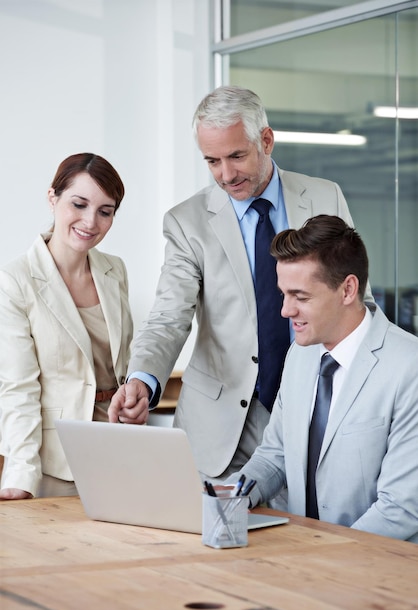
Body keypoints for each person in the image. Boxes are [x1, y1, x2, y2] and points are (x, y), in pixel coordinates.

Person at [108, 85, 369, 483]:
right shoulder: (187, 221)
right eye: (212, 161)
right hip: (221, 426)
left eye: (236, 156)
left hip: (313, 408)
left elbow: (357, 303)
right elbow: (168, 316)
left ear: (266, 140)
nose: (226, 175)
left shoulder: (324, 197)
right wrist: (143, 377)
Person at [225, 214, 418, 543]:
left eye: (300, 297)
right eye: (284, 294)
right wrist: (229, 496)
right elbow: (276, 455)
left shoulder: (408, 367)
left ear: (347, 290)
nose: (286, 311)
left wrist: (326, 556)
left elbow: (400, 507)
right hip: (308, 560)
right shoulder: (300, 354)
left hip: (378, 568)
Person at [0, 153, 133, 500]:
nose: (91, 221)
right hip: (55, 463)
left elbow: (121, 364)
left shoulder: (114, 270)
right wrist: (20, 474)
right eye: (79, 204)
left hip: (118, 453)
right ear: (52, 198)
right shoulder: (14, 281)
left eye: (105, 211)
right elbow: (18, 389)